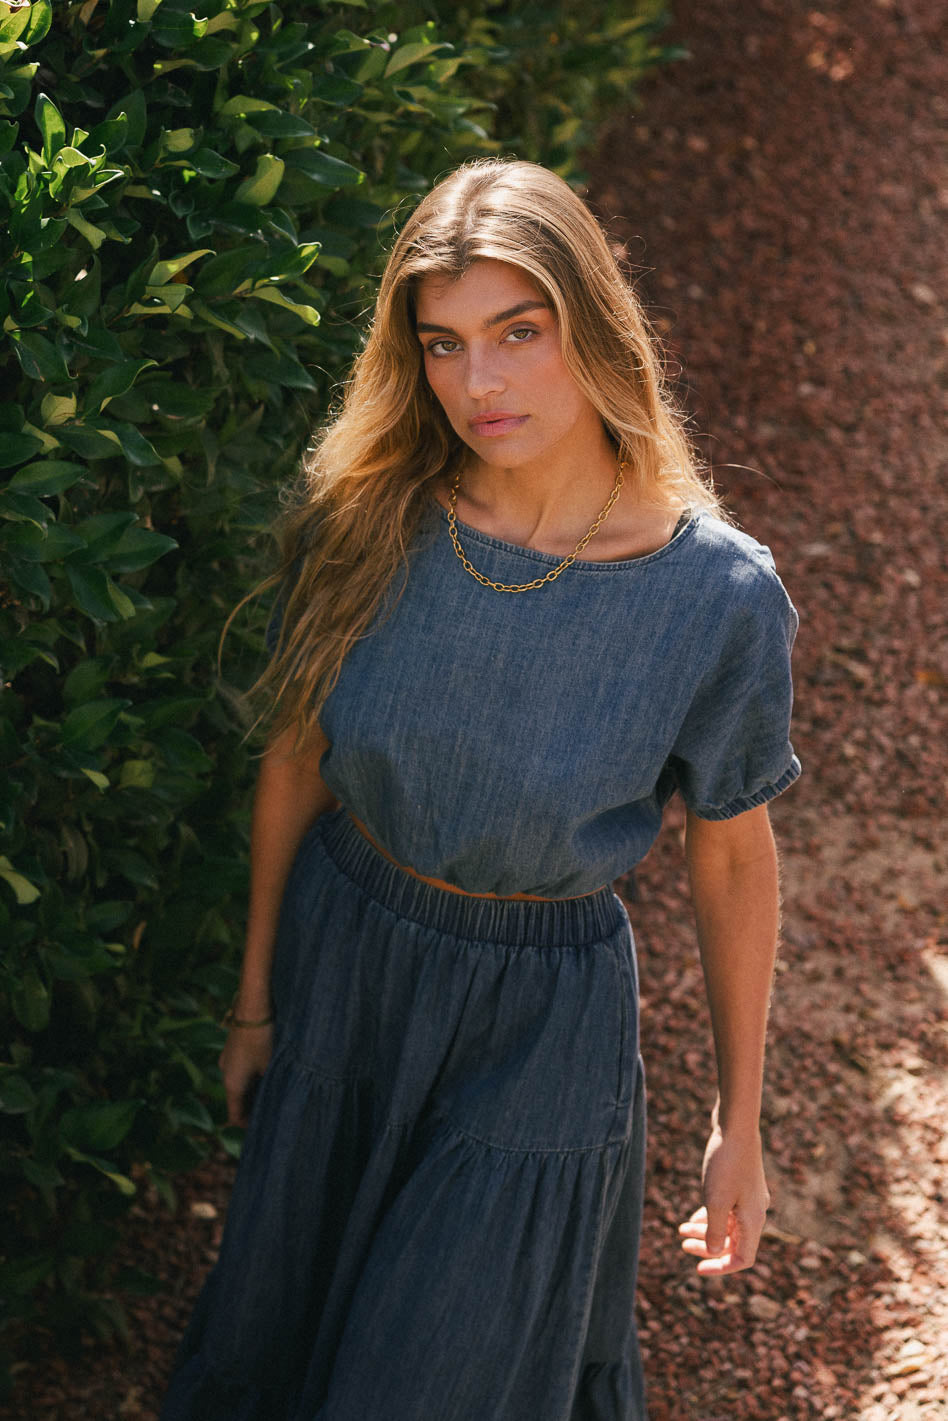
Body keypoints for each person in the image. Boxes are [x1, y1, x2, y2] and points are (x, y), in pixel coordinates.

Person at [160, 157, 800, 1421]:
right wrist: (255, 1002)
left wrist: (741, 1122)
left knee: (439, 1374)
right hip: (349, 963)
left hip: (541, 1019)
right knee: (280, 1343)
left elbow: (732, 852)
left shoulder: (718, 599)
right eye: (443, 344)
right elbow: (295, 756)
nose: (480, 383)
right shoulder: (370, 518)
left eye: (519, 331)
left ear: (594, 323)